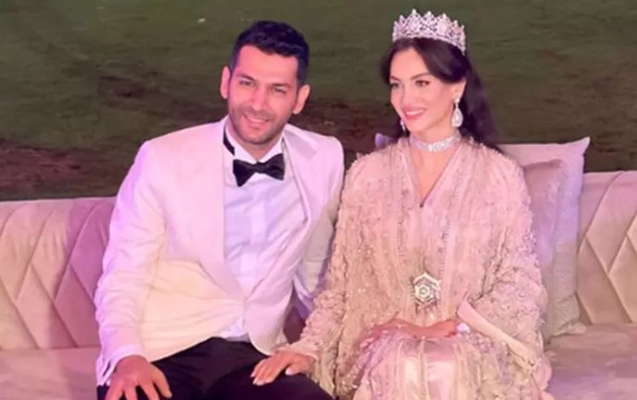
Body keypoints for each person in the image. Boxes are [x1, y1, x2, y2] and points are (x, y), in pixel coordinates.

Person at [252, 9, 553, 400]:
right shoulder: (368, 175)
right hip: (383, 346)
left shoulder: (499, 176)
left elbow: (520, 282)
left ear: (457, 86)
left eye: (421, 83)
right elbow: (341, 286)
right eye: (397, 85)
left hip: (469, 342)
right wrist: (308, 348)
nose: (405, 100)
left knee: (442, 364)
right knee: (406, 361)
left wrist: (450, 326)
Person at [94, 20, 343, 400]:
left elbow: (317, 276)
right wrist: (127, 355)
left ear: (299, 98)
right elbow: (124, 275)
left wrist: (317, 348)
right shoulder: (162, 158)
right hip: (160, 351)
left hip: (254, 357)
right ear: (226, 82)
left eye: (277, 90)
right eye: (247, 83)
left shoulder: (323, 158)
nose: (257, 103)